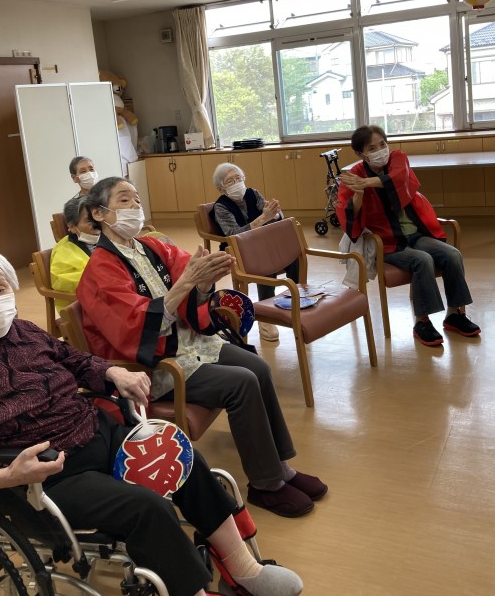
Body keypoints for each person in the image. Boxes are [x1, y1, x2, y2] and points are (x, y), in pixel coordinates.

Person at [0, 247, 303, 596]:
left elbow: (75, 359)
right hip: (45, 477)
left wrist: (113, 372)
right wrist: (9, 476)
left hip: (97, 431)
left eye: (0, 289)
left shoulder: (24, 331)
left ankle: (242, 568)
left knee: (180, 457)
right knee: (147, 509)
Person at [77, 177, 327, 518]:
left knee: (258, 367)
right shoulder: (99, 269)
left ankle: (280, 467)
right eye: (124, 200)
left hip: (189, 343)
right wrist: (187, 283)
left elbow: (191, 276)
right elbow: (132, 329)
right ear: (98, 213)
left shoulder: (151, 246)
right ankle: (266, 485)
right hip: (155, 364)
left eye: (136, 199)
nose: (135, 206)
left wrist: (206, 281)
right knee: (241, 383)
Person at [336, 125, 481, 347]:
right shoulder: (354, 176)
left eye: (382, 144)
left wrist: (368, 182)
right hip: (388, 243)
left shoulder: (397, 159)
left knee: (452, 254)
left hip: (416, 233)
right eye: (372, 148)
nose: (380, 151)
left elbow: (398, 178)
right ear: (360, 154)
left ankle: (454, 314)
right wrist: (359, 194)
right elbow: (349, 218)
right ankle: (422, 322)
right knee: (423, 260)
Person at [212, 163, 300, 343]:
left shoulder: (253, 193)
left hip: (263, 243)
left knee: (293, 253)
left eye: (238, 178)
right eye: (230, 181)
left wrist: (276, 214)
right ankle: (266, 317)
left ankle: (298, 297)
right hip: (238, 251)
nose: (237, 183)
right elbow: (233, 234)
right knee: (266, 259)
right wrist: (263, 218)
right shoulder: (220, 207)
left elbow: (275, 217)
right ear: (221, 188)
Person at [50, 197, 100, 311]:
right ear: (72, 227)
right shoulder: (64, 250)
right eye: (89, 221)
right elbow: (63, 281)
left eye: (97, 218)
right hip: (83, 307)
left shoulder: (107, 240)